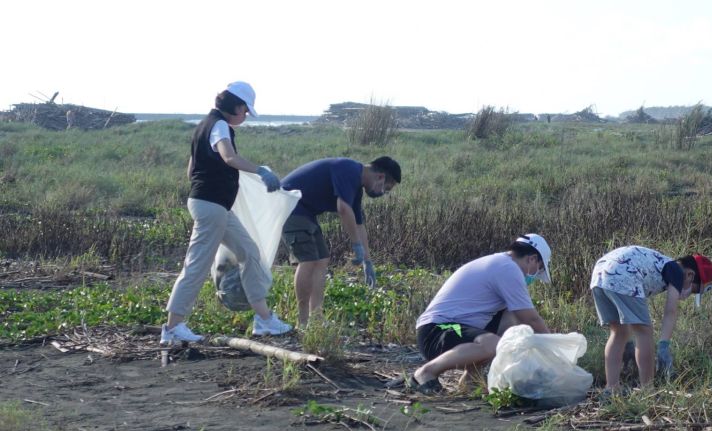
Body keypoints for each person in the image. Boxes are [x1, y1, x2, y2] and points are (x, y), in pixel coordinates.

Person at [161, 81, 292, 344]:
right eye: (245, 111)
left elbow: (191, 172)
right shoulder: (219, 126)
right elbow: (229, 158)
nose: (245, 116)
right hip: (210, 207)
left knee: (249, 252)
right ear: (237, 105)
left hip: (214, 206)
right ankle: (173, 327)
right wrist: (261, 171)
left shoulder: (203, 127)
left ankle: (264, 320)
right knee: (196, 266)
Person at [410, 234, 552, 394]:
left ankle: (471, 379)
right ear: (532, 259)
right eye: (539, 270)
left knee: (511, 318)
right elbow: (532, 319)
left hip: (455, 327)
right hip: (435, 331)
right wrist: (554, 352)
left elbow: (522, 318)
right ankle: (426, 373)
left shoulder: (501, 263)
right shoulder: (508, 269)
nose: (534, 276)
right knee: (495, 344)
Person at [280, 156, 401, 326]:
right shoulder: (349, 170)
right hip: (288, 205)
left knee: (322, 260)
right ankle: (303, 321)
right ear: (380, 177)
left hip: (304, 211)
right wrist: (356, 245)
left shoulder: (356, 186)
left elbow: (359, 225)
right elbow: (343, 209)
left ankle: (316, 318)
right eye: (385, 189)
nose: (382, 194)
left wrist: (368, 261)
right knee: (309, 260)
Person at [590, 246, 712, 392]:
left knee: (619, 332)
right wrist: (664, 345)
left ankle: (611, 388)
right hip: (623, 273)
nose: (689, 294)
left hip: (600, 274)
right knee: (644, 332)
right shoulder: (676, 270)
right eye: (694, 290)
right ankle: (648, 390)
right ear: (689, 275)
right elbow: (670, 311)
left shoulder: (664, 265)